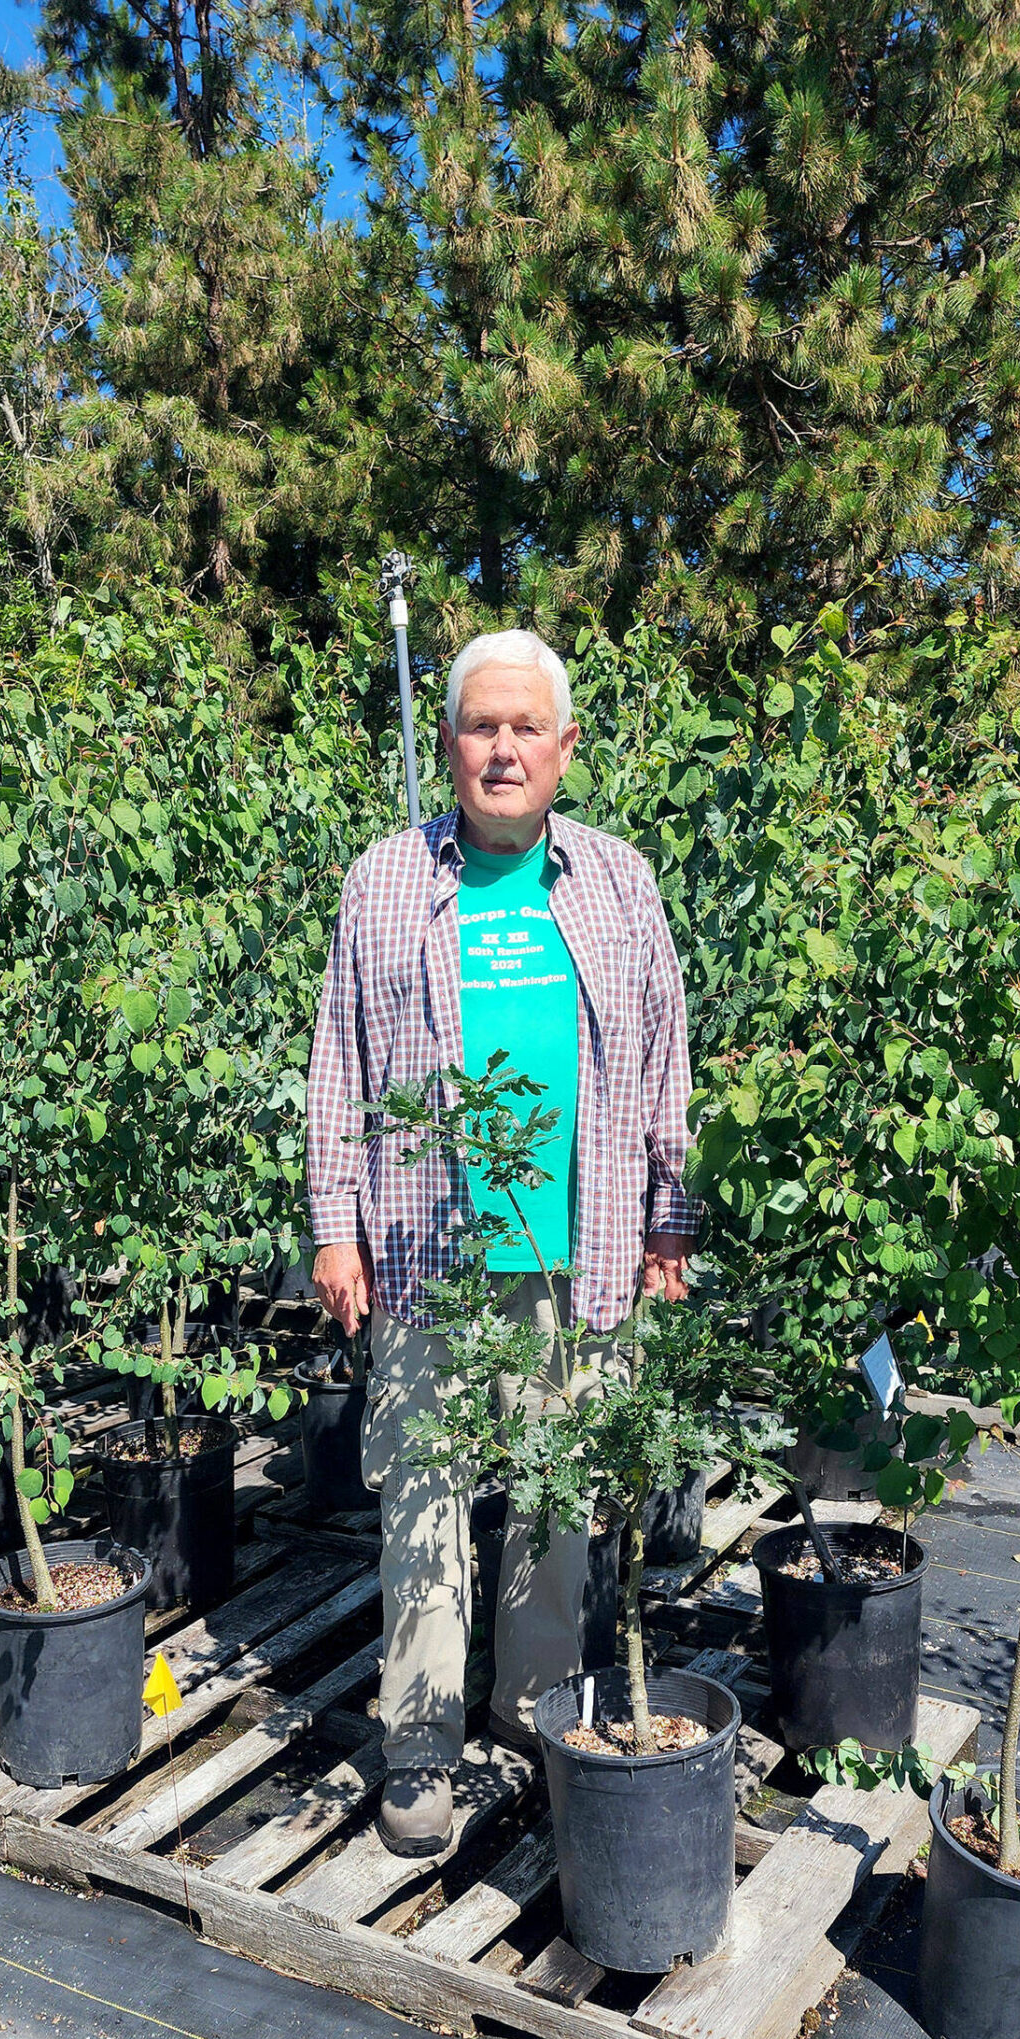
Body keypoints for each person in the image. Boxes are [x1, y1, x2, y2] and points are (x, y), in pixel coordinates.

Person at [307, 629, 700, 1856]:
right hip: (428, 1254)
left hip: (575, 1255)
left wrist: (667, 1218)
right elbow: (339, 1064)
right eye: (481, 726)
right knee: (420, 1496)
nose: (503, 749)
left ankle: (530, 1710)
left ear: (565, 748)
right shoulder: (382, 881)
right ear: (448, 742)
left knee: (553, 1497)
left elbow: (662, 1058)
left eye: (528, 727)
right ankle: (419, 1741)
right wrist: (335, 1228)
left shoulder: (618, 883)